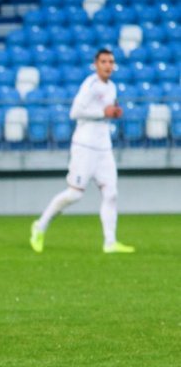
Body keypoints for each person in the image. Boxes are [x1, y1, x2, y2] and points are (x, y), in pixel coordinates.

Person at [30, 48, 134, 254]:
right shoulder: (90, 85)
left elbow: (105, 112)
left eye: (111, 62)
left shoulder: (112, 87)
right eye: (103, 61)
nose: (108, 65)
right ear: (96, 64)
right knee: (75, 194)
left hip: (104, 147)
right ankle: (40, 226)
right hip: (84, 146)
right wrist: (101, 112)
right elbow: (75, 112)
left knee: (111, 193)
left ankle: (110, 242)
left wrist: (113, 113)